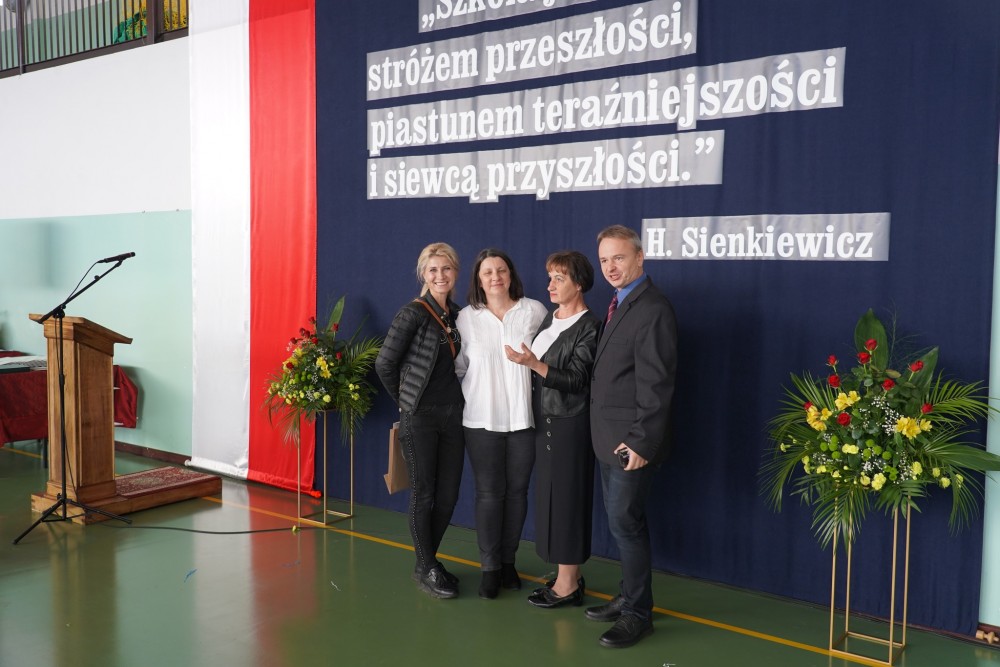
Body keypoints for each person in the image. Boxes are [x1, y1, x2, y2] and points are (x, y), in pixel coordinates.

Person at [586, 225, 677, 648]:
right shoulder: (621, 302)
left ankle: (638, 613)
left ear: (640, 258)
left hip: (631, 442)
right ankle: (628, 597)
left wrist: (641, 441)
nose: (610, 267)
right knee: (621, 521)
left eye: (618, 258)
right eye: (604, 260)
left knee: (626, 523)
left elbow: (657, 383)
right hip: (610, 438)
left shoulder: (653, 308)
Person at [504, 250, 600, 609]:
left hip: (568, 424)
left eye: (559, 278)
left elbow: (577, 380)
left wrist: (533, 364)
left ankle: (568, 585)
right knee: (552, 499)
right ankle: (564, 575)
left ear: (579, 284)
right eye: (550, 278)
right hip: (544, 421)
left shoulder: (590, 326)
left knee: (568, 500)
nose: (550, 285)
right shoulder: (552, 318)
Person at [375, 242, 465, 600]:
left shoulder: (457, 315)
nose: (440, 275)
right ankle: (427, 566)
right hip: (421, 418)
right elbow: (385, 363)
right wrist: (407, 402)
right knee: (424, 493)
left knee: (449, 495)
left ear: (455, 271)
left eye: (446, 268)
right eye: (433, 270)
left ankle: (427, 562)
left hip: (453, 416)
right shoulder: (412, 313)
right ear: (423, 275)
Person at [455, 248, 547, 599]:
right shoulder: (465, 318)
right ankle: (490, 568)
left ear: (511, 275)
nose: (496, 277)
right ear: (478, 280)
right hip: (480, 419)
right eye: (488, 272)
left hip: (523, 419)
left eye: (501, 270)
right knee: (489, 494)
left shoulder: (534, 311)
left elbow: (546, 359)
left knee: (518, 493)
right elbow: (459, 368)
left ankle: (509, 562)